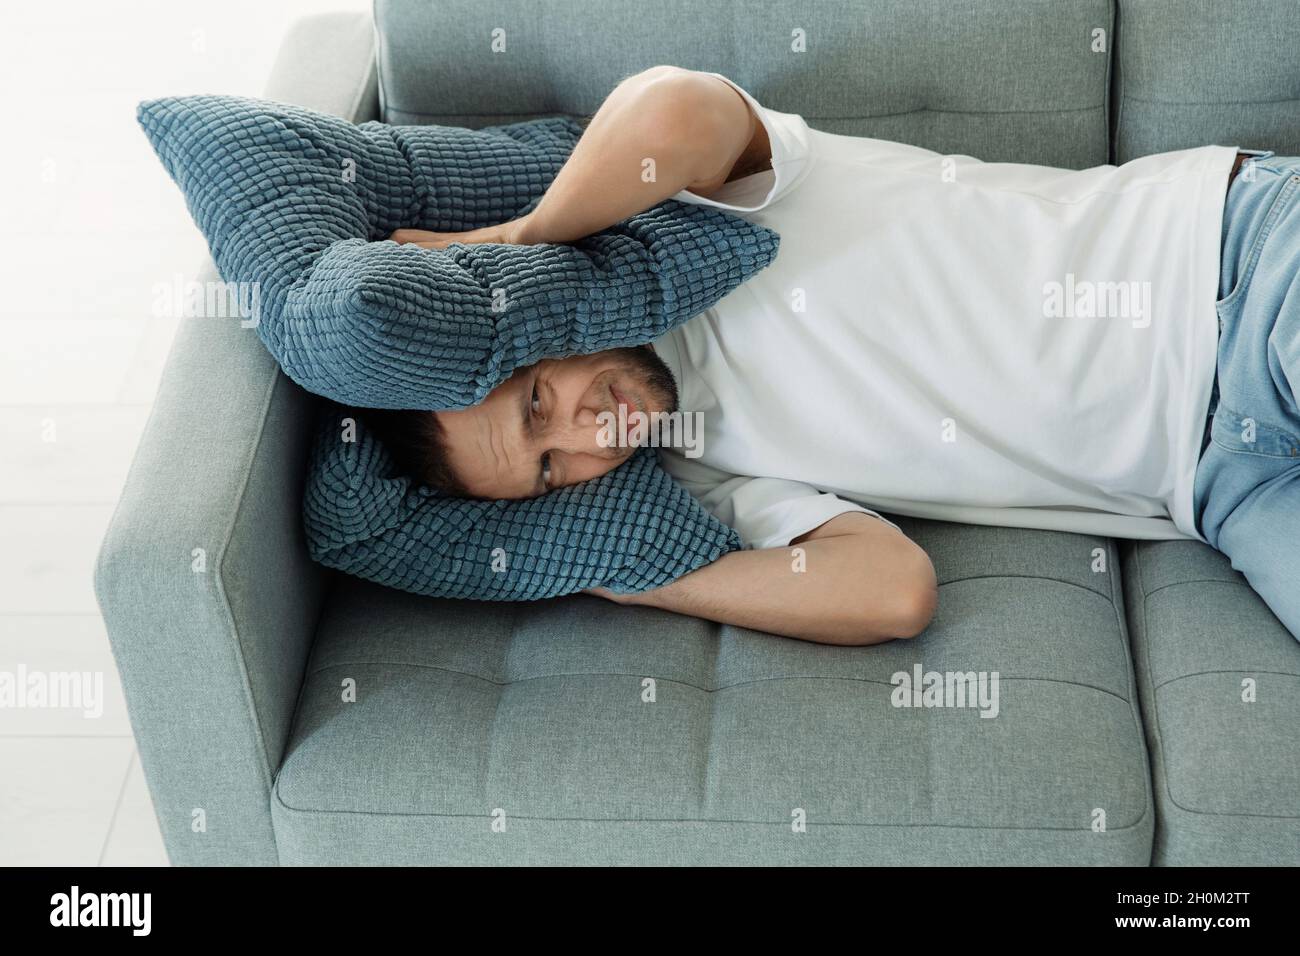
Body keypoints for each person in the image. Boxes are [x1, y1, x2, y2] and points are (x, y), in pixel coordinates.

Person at [375, 66, 1300, 647]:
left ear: (536, 315)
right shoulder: (697, 471)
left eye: (540, 402)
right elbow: (894, 592)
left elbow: (674, 108)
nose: (584, 442)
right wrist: (626, 578)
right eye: (547, 475)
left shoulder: (700, 212)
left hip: (1235, 274)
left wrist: (515, 239)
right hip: (1224, 489)